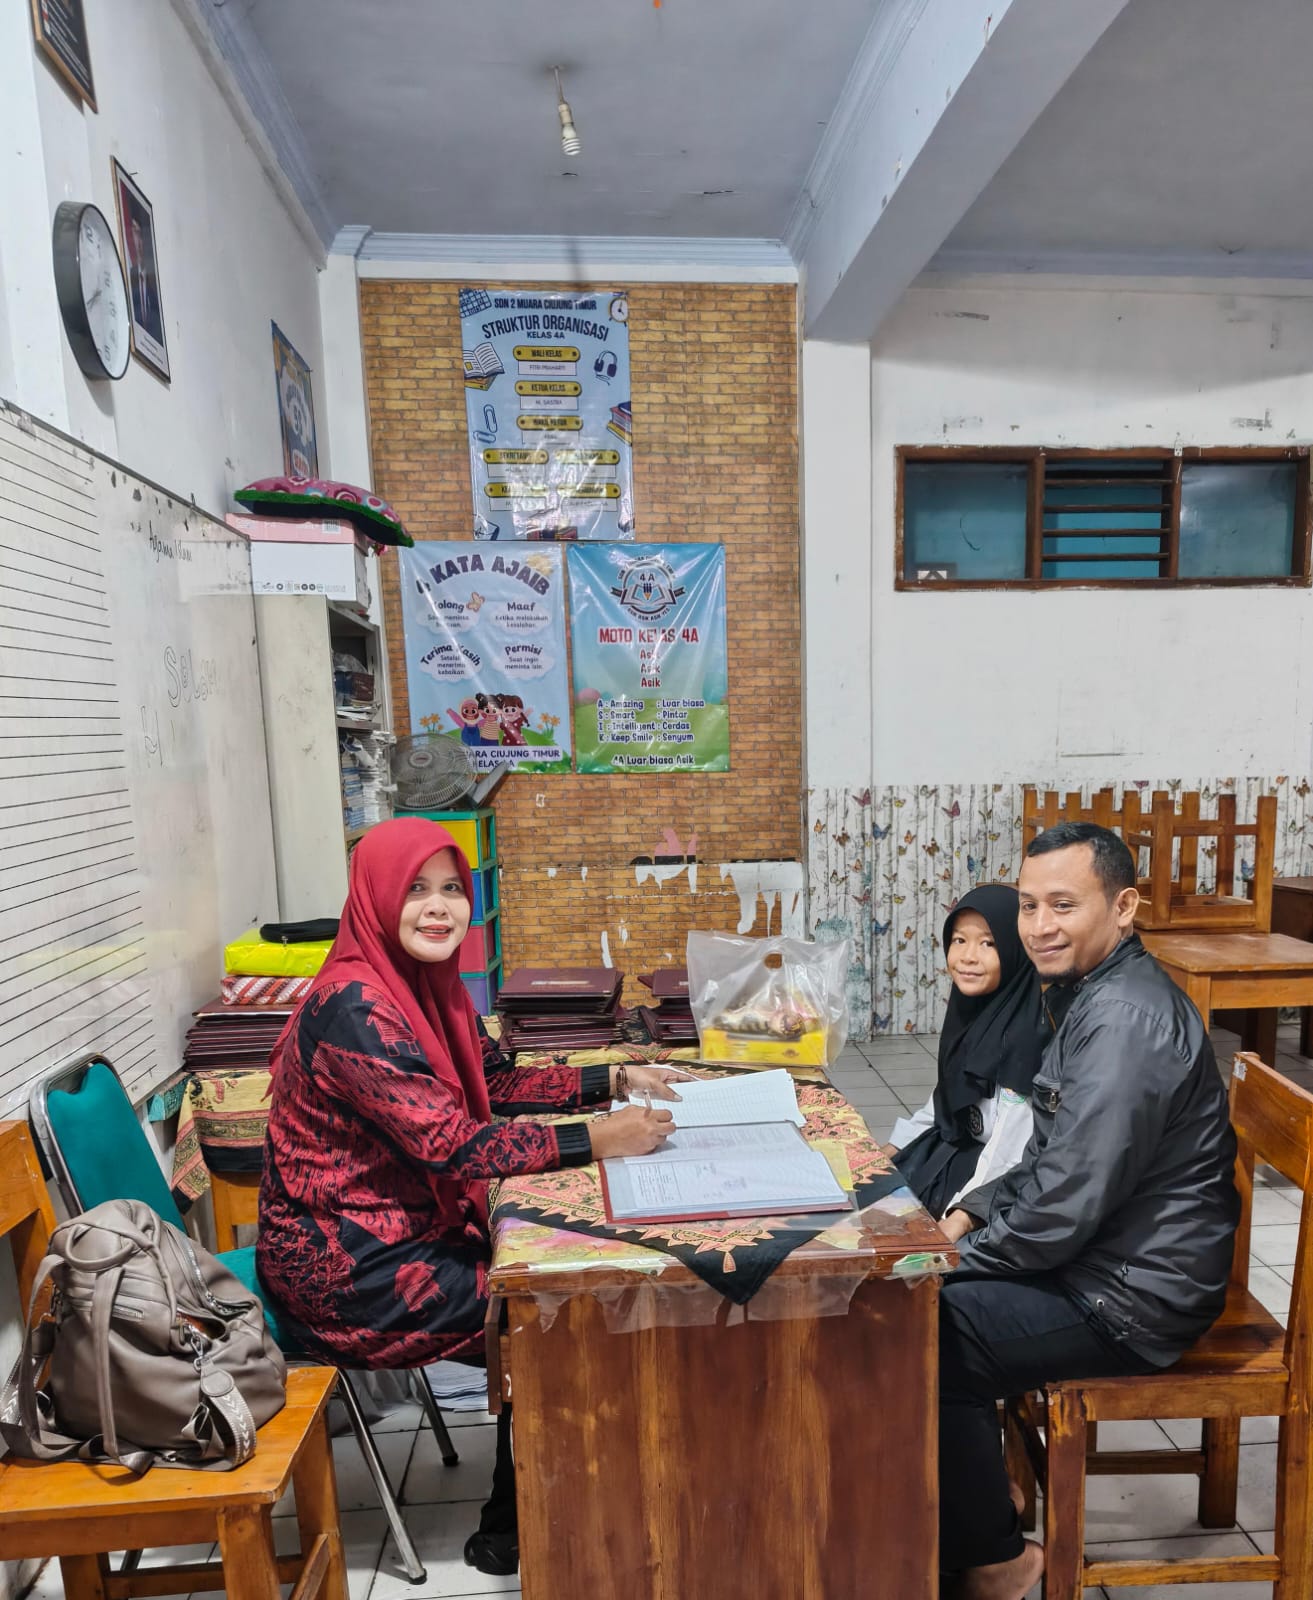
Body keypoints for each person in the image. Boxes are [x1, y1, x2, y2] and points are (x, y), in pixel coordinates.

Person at [256, 818, 686, 1576]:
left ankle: (528, 1505)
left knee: (562, 1272)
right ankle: (516, 1523)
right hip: (345, 1268)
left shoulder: (424, 987)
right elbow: (451, 1144)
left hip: (397, 1235)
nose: (438, 908)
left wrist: (613, 1078)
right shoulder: (356, 1007)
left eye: (452, 889)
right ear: (375, 897)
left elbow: (494, 1084)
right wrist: (600, 1137)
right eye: (415, 890)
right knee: (552, 1300)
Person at [938, 823, 1239, 1600]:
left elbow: (1060, 1210)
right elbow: (1045, 1154)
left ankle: (1001, 1560)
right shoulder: (1090, 994)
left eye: (1063, 905)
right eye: (1030, 905)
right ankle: (979, 1503)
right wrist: (971, 1214)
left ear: (1123, 906)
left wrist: (953, 1262)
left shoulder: (1124, 1021)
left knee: (927, 1332)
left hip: (1134, 1296)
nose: (1038, 927)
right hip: (1103, 1261)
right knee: (917, 1294)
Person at [885, 886, 1044, 1237]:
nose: (968, 957)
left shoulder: (1025, 1035)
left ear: (1016, 949)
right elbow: (945, 1098)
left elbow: (1010, 1147)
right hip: (963, 1145)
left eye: (988, 943)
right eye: (959, 940)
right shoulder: (971, 1012)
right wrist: (888, 1151)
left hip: (1005, 1180)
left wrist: (960, 1217)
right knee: (875, 1195)